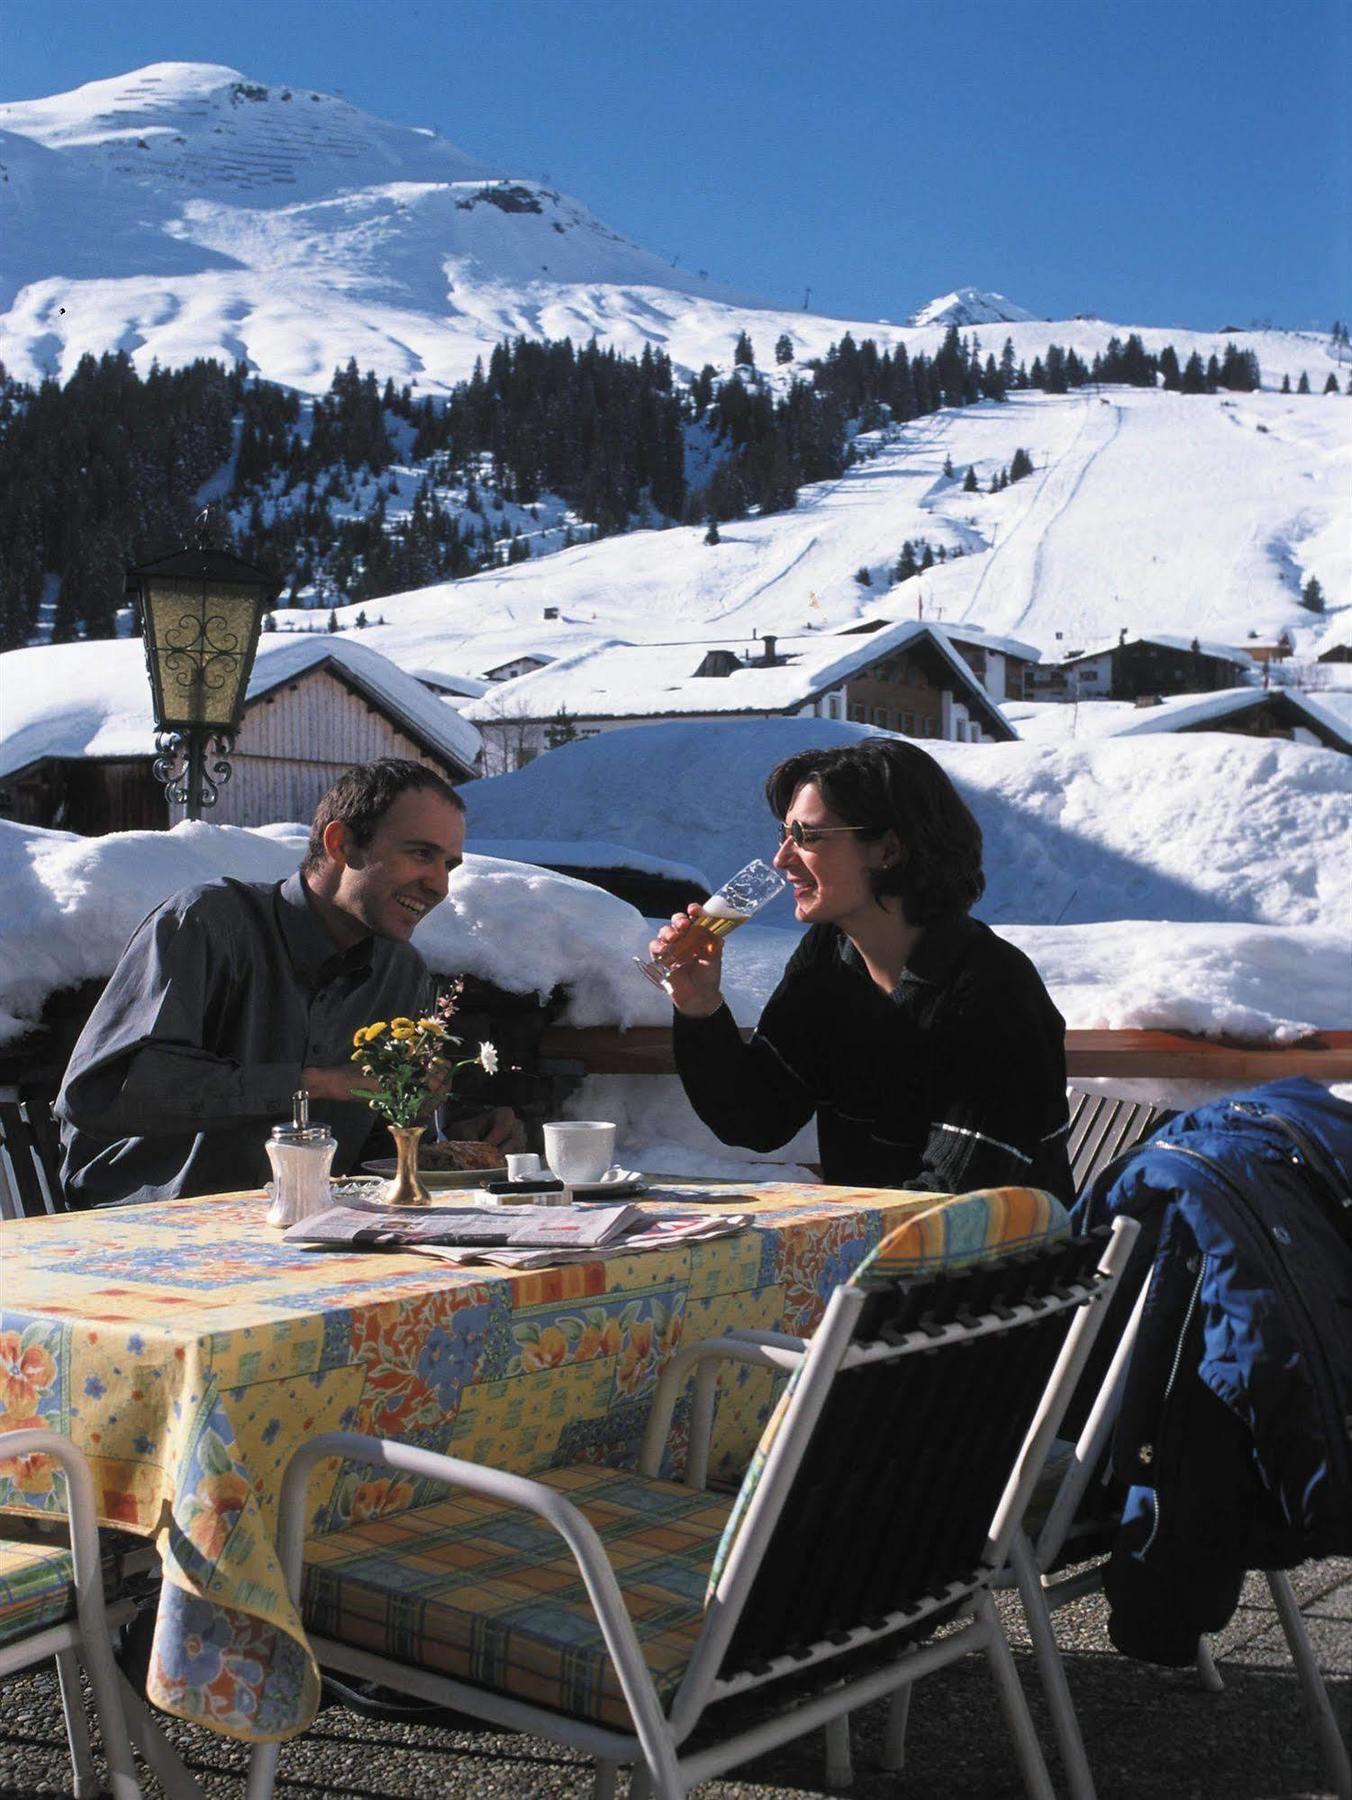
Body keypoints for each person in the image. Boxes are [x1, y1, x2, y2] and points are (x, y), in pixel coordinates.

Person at [58, 759, 519, 1207]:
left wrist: (449, 1137)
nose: (439, 885)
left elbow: (372, 1152)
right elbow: (99, 1095)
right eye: (421, 854)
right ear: (341, 843)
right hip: (150, 1226)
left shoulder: (403, 973)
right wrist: (315, 1084)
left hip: (306, 1232)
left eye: (449, 866)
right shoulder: (209, 924)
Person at [651, 738, 1073, 1201]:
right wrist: (700, 1006)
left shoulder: (993, 991)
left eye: (807, 837)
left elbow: (958, 1202)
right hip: (871, 1249)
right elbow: (757, 1120)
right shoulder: (829, 958)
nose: (782, 859)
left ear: (887, 849)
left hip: (996, 1261)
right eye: (783, 835)